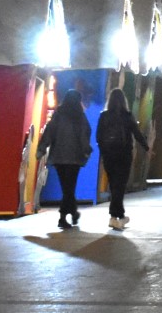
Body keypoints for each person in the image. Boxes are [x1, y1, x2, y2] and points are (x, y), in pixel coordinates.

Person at [37, 88, 91, 229]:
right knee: (69, 188)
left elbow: (49, 132)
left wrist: (41, 149)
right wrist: (86, 150)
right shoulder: (80, 116)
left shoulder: (58, 115)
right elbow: (85, 134)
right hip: (74, 158)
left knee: (66, 188)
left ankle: (72, 213)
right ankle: (64, 216)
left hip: (59, 157)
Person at [97, 88, 149, 230]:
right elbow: (136, 133)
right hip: (124, 155)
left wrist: (104, 153)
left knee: (114, 185)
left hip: (108, 156)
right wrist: (147, 147)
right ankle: (114, 217)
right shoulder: (127, 116)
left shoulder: (104, 116)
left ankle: (119, 215)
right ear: (123, 101)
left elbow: (98, 137)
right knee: (119, 186)